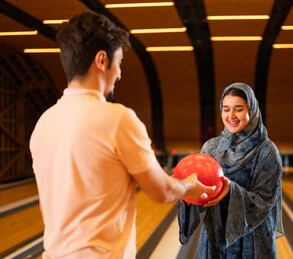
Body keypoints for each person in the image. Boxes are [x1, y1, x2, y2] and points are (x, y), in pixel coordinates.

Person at [29, 11, 215, 259]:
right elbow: (163, 192)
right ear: (102, 60)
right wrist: (188, 186)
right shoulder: (117, 119)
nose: (119, 73)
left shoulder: (44, 123)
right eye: (119, 63)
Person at [178, 82, 284, 258]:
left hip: (253, 240)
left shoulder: (267, 151)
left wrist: (230, 191)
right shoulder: (210, 148)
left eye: (239, 109)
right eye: (226, 109)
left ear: (252, 109)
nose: (231, 116)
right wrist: (188, 194)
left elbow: (264, 201)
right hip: (214, 238)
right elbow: (201, 196)